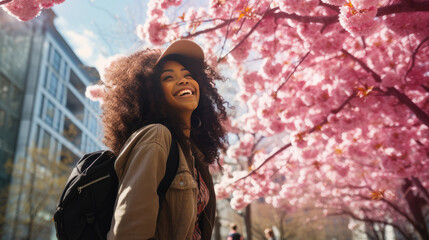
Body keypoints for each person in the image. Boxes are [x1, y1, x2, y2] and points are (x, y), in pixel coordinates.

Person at [99, 39, 228, 240]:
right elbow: (129, 232)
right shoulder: (156, 137)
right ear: (152, 93)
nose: (184, 80)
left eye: (188, 75)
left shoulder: (195, 155)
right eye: (169, 77)